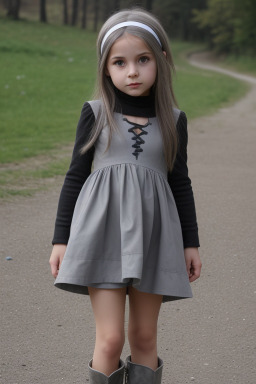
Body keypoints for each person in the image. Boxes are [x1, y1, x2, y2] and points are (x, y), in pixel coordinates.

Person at [49, 7, 202, 384]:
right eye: (120, 62)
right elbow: (74, 177)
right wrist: (60, 239)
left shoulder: (174, 120)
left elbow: (180, 183)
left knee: (144, 336)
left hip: (154, 238)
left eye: (142, 60)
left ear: (161, 60)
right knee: (111, 338)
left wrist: (190, 243)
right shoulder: (95, 114)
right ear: (106, 68)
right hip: (102, 236)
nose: (131, 71)